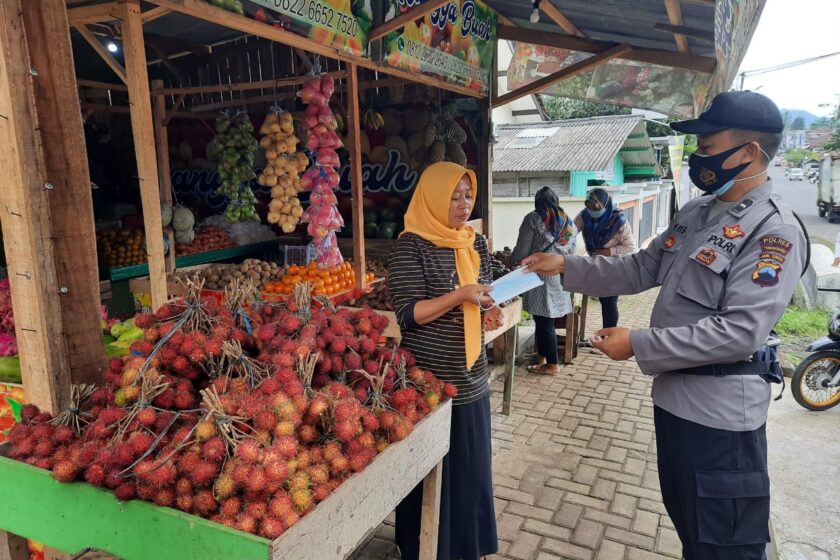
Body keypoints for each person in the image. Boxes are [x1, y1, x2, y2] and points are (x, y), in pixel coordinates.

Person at [522, 91, 807, 560]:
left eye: (708, 147)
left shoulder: (773, 231)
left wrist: (638, 342)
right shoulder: (696, 212)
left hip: (721, 422)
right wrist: (565, 265)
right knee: (691, 531)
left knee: (724, 546)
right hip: (675, 405)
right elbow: (637, 269)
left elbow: (740, 331)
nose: (698, 158)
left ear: (750, 153)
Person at [388, 161, 502, 560]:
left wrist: (488, 310)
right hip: (429, 383)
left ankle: (466, 547)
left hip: (471, 377)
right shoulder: (411, 244)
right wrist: (459, 297)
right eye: (453, 196)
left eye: (468, 194)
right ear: (433, 197)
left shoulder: (473, 241)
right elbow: (407, 314)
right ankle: (422, 547)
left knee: (469, 467)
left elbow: (483, 293)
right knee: (428, 469)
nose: (463, 203)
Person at [511, 186, 576, 374]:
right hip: (561, 276)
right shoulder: (568, 222)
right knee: (545, 320)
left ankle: (552, 364)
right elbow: (571, 253)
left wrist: (513, 260)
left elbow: (522, 250)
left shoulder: (533, 219)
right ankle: (541, 355)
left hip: (539, 277)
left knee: (544, 321)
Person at [574, 188, 635, 333]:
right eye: (589, 206)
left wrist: (607, 252)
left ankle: (608, 337)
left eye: (596, 207)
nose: (592, 210)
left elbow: (630, 247)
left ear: (606, 205)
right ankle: (606, 336)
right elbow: (571, 232)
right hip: (597, 265)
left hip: (615, 266)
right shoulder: (584, 216)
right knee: (603, 300)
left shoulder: (619, 221)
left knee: (610, 302)